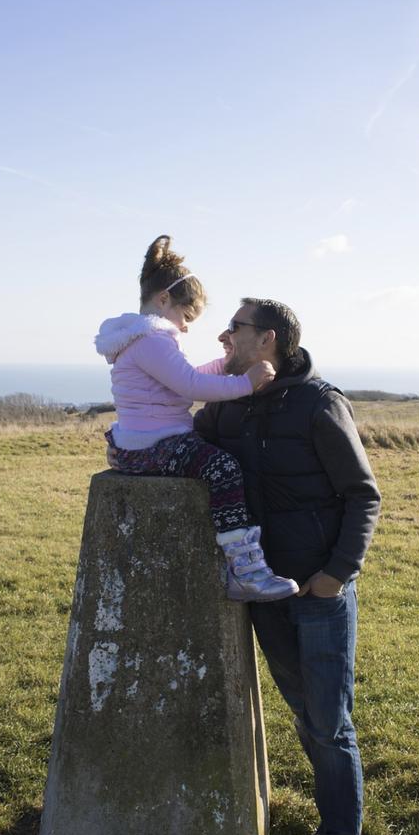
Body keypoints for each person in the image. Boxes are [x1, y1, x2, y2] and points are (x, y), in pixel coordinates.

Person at [192, 298, 381, 835]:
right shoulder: (232, 402)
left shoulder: (320, 404)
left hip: (320, 591)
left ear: (267, 339)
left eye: (236, 328)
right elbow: (187, 439)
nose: (225, 336)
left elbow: (362, 494)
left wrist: (337, 573)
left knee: (329, 723)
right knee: (304, 713)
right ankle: (335, 826)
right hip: (265, 592)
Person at [95, 236, 299, 602]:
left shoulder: (140, 340)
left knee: (214, 461)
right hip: (156, 444)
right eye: (187, 317)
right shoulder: (152, 341)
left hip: (142, 442)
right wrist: (246, 383)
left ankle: (246, 566)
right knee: (223, 468)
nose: (187, 327)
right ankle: (245, 570)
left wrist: (224, 365)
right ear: (164, 301)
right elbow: (191, 385)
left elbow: (181, 383)